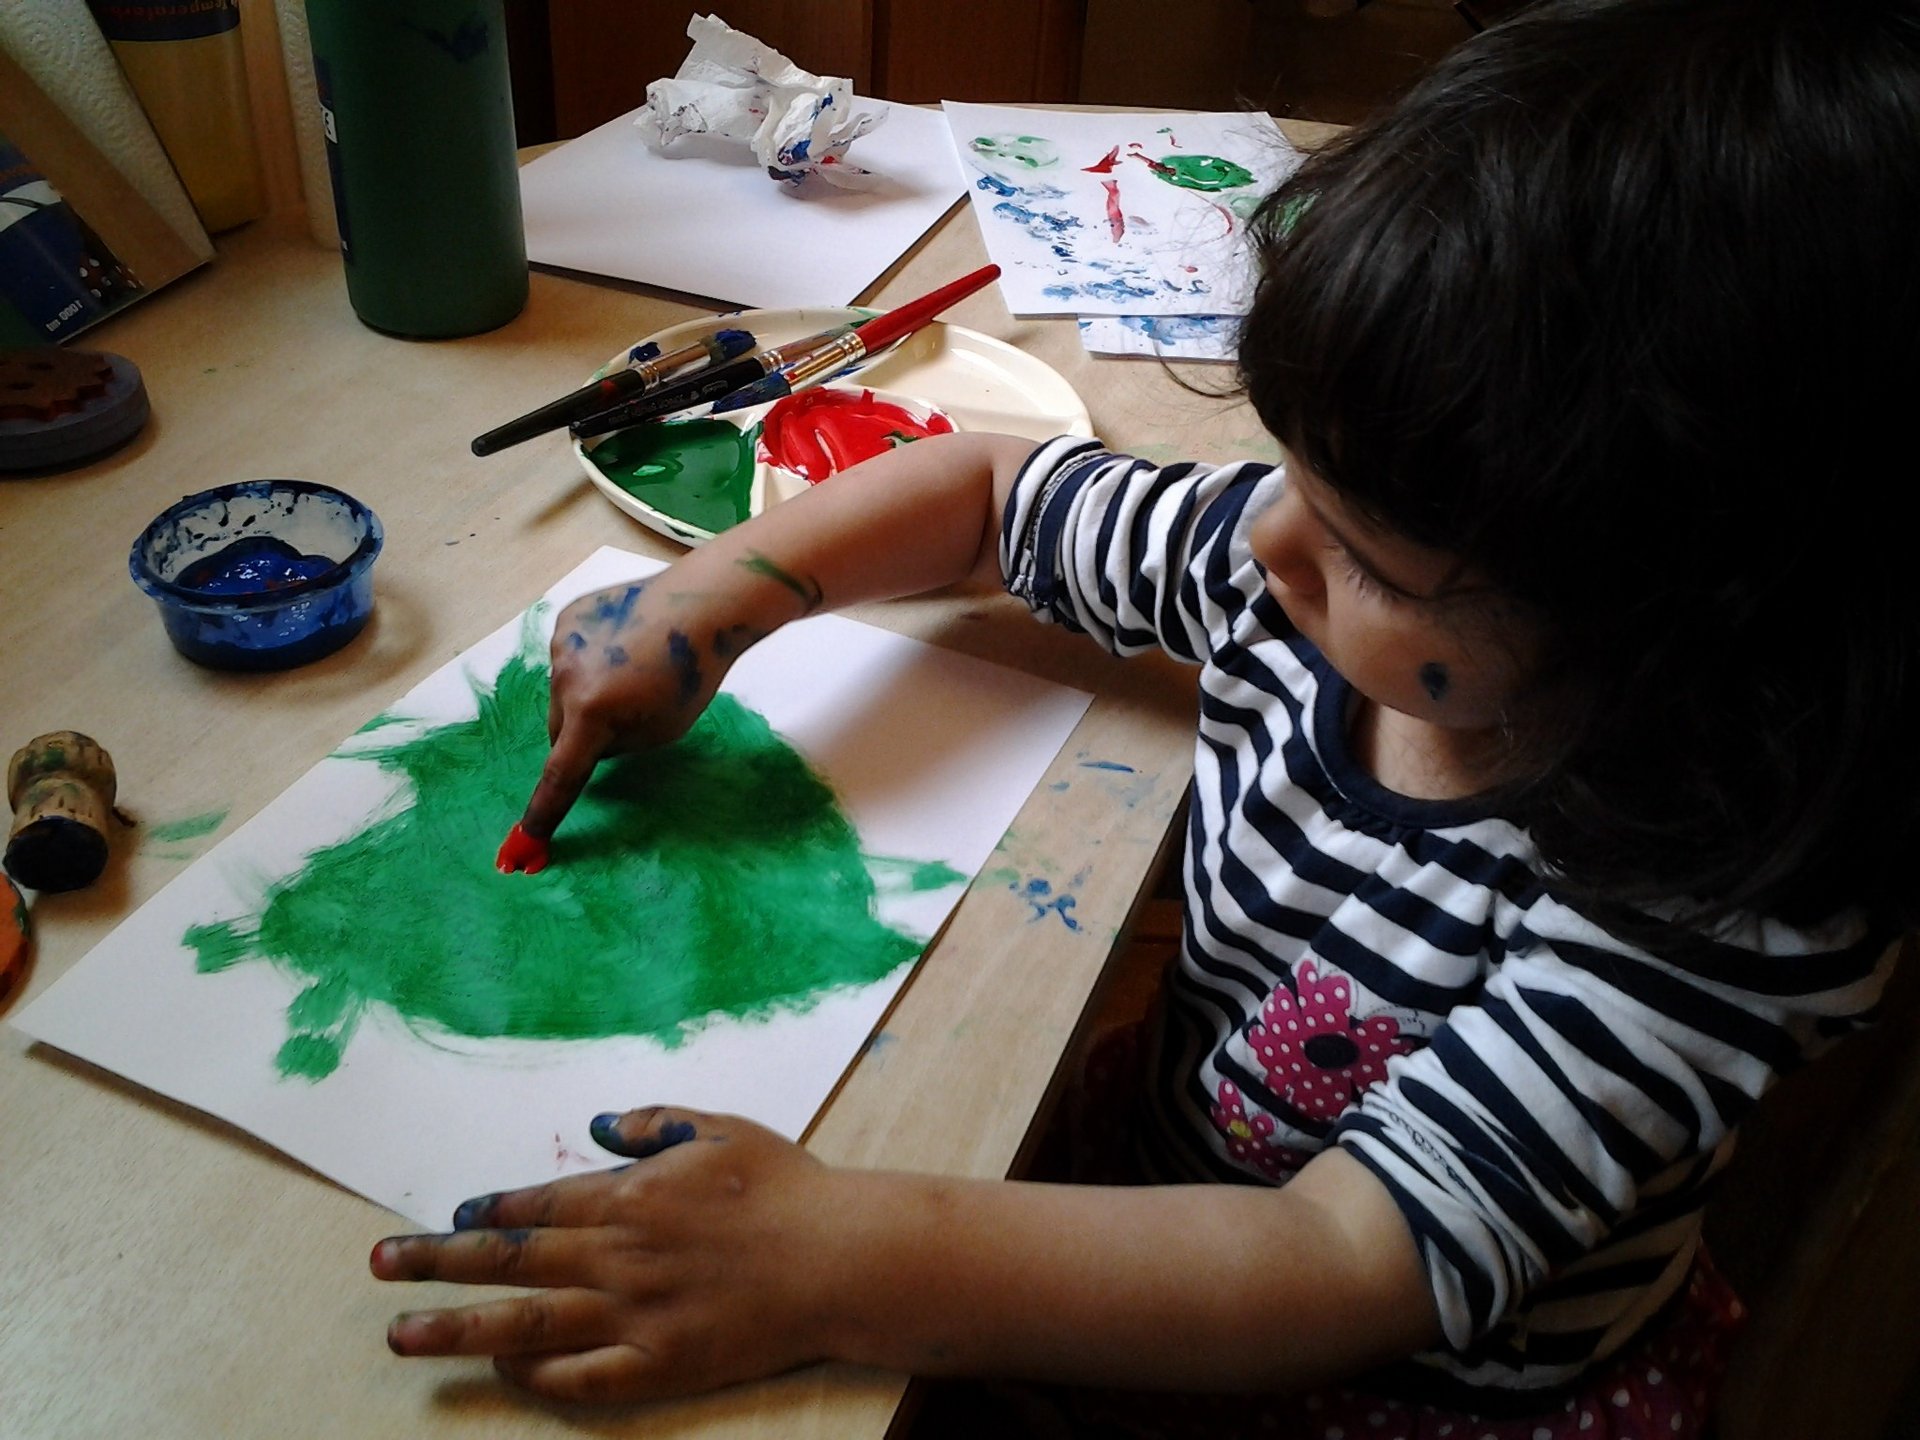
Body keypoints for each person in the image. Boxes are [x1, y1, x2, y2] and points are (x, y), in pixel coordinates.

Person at [368, 1, 1920, 1434]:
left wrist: (831, 1260)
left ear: (1686, 628)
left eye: (1368, 555)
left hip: (1384, 1387)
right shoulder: (1301, 568)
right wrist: (721, 590)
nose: (1264, 540)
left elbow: (1340, 1257)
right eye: (1296, 474)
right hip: (1172, 1163)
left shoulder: (1714, 907)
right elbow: (989, 492)